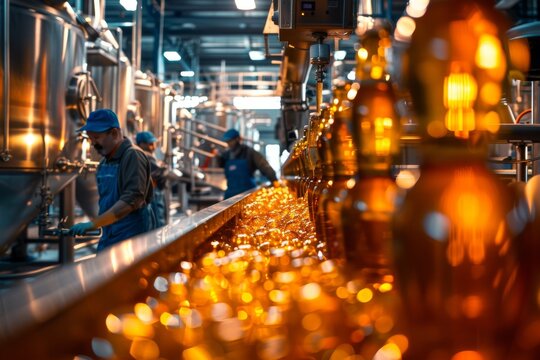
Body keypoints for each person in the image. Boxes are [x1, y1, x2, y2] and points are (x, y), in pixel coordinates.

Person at [70, 109, 156, 250]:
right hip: (110, 236)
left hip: (132, 239)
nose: (93, 144)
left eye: (96, 138)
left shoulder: (133, 156)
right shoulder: (105, 163)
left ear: (115, 133)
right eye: (91, 139)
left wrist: (93, 224)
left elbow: (130, 200)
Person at [216, 128, 278, 199]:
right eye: (227, 142)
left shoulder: (249, 153)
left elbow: (264, 166)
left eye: (231, 141)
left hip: (248, 194)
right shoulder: (226, 155)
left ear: (238, 139)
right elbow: (221, 165)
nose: (229, 144)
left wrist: (274, 181)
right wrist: (217, 158)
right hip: (230, 196)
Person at [136, 131, 168, 227]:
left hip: (154, 192)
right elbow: (158, 173)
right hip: (152, 192)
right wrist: (163, 169)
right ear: (141, 144)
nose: (153, 146)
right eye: (150, 144)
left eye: (153, 143)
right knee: (158, 221)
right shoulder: (144, 156)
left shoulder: (149, 156)